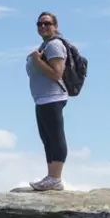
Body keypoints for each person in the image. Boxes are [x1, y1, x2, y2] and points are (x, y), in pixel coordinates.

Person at [24, 11, 69, 192]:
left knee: (55, 137)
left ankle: (55, 178)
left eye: (47, 23)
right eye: (40, 24)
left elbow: (56, 73)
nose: (43, 27)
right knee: (47, 138)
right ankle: (51, 176)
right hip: (42, 99)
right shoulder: (45, 45)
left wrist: (36, 60)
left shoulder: (55, 46)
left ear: (55, 26)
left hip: (53, 97)